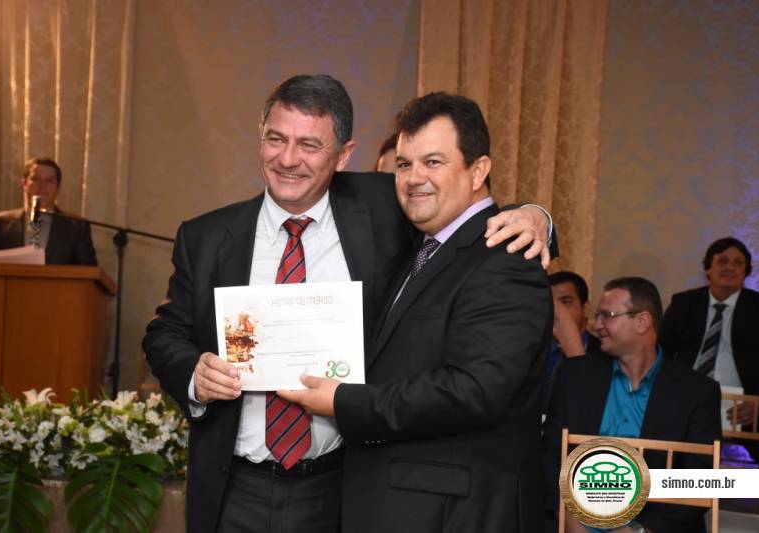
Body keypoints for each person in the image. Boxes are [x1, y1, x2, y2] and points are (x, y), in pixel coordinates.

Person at [142, 74, 555, 533]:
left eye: (309, 145)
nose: (288, 159)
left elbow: (465, 217)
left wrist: (534, 217)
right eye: (276, 139)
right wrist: (194, 375)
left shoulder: (386, 208)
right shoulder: (206, 237)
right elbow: (165, 333)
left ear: (343, 155)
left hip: (342, 489)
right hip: (235, 486)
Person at [280, 92, 552, 533]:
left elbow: (474, 390)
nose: (413, 178)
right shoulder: (420, 246)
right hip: (395, 504)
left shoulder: (505, 259)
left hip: (452, 515)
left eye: (433, 162)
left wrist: (345, 401)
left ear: (478, 170)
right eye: (404, 164)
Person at [543, 277, 722, 533]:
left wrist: (639, 530)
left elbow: (700, 480)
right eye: (598, 316)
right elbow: (550, 456)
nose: (598, 325)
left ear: (642, 321)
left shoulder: (697, 392)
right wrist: (570, 520)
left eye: (608, 316)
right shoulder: (574, 376)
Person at [659, 237, 759, 424]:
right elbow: (661, 351)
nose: (730, 267)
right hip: (685, 402)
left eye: (738, 263)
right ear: (708, 268)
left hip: (744, 411)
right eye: (722, 261)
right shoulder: (684, 303)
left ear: (745, 272)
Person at [0, 157, 97, 265]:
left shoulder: (77, 227)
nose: (42, 187)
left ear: (58, 187)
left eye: (49, 181)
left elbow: (88, 272)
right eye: (35, 179)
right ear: (24, 184)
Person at [543, 271, 602, 411]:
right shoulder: (530, 352)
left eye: (566, 302)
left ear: (586, 309)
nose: (558, 312)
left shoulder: (605, 353)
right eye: (550, 303)